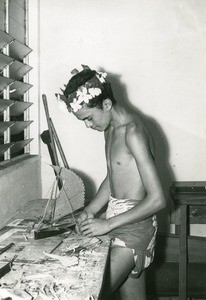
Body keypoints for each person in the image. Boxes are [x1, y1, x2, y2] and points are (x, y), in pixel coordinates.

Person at [56, 65, 166, 300]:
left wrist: (107, 224)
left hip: (135, 227)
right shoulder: (109, 127)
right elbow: (112, 176)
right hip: (115, 218)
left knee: (90, 293)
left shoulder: (133, 132)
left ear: (106, 104)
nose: (88, 125)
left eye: (89, 118)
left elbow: (157, 199)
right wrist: (91, 210)